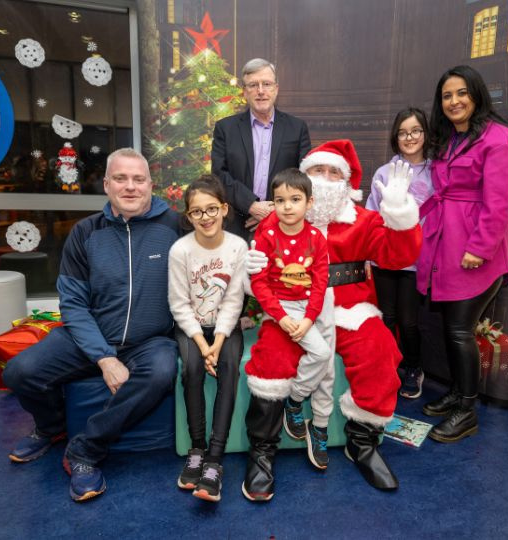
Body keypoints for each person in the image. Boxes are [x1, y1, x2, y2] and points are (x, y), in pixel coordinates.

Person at [244, 140, 421, 499]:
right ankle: (262, 452)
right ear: (303, 181)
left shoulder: (363, 220)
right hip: (292, 307)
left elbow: (398, 256)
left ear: (347, 183)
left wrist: (400, 212)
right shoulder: (277, 223)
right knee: (271, 358)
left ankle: (363, 444)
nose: (325, 179)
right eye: (317, 171)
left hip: (350, 307)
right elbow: (257, 272)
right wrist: (251, 272)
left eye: (333, 172)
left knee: (380, 349)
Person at [3, 148, 180, 502]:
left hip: (150, 339)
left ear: (150, 185)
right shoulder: (85, 233)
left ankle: (85, 449)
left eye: (138, 179)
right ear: (106, 184)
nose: (130, 187)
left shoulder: (175, 227)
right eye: (120, 178)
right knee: (20, 372)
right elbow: (72, 303)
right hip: (92, 337)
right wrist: (104, 358)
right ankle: (51, 428)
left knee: (162, 371)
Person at [417, 65, 508, 443]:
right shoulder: (450, 140)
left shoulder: (502, 141)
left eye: (461, 93)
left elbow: (501, 205)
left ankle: (467, 411)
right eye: (447, 96)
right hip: (445, 248)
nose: (454, 101)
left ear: (477, 95)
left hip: (473, 252)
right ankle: (459, 392)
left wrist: (479, 249)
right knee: (451, 328)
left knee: (460, 330)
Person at [248, 168, 332, 483]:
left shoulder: (316, 238)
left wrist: (308, 319)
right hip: (278, 309)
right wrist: (282, 318)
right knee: (287, 350)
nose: (287, 206)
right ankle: (288, 407)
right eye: (280, 200)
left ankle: (295, 400)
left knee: (322, 354)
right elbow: (259, 283)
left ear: (309, 203)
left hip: (307, 309)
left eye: (295, 199)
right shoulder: (266, 236)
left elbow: (320, 282)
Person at [168, 174, 247, 503]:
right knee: (192, 369)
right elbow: (179, 304)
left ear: (225, 209)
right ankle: (197, 449)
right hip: (191, 326)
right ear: (188, 216)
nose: (206, 217)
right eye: (197, 212)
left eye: (212, 208)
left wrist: (219, 341)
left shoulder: (238, 246)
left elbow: (233, 300)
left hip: (225, 326)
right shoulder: (180, 250)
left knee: (229, 368)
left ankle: (215, 459)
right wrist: (202, 345)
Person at [365, 107, 433, 399]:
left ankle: (414, 368)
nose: (409, 137)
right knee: (386, 317)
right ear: (396, 136)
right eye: (403, 132)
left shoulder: (435, 172)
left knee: (408, 320)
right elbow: (371, 213)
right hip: (384, 259)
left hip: (416, 262)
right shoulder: (384, 172)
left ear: (425, 134)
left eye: (415, 131)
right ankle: (385, 368)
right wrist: (368, 255)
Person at [211, 58, 312, 240]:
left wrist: (274, 211)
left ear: (276, 89)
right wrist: (251, 205)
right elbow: (219, 174)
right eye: (253, 85)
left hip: (283, 225)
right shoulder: (225, 128)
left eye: (266, 84)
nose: (260, 91)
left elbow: (303, 177)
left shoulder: (297, 128)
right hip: (236, 225)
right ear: (244, 92)